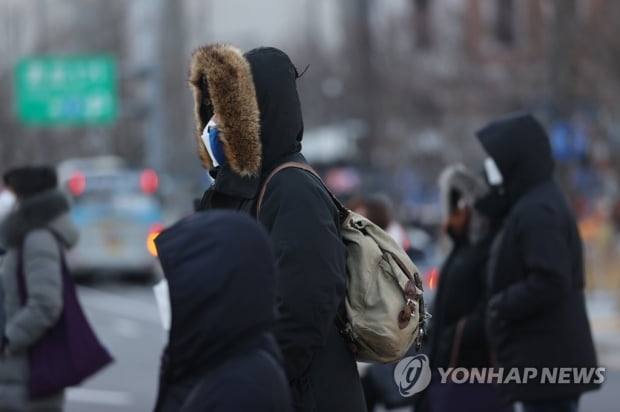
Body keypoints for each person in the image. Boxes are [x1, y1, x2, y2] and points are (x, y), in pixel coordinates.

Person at [189, 44, 365, 411]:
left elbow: (304, 307)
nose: (217, 122)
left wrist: (251, 384)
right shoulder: (245, 187)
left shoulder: (291, 188)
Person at [477, 112, 599, 411]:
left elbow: (550, 280)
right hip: (544, 360)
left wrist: (500, 305)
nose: (491, 167)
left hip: (548, 363)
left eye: (497, 158)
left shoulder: (538, 210)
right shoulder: (532, 201)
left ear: (516, 159)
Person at [153, 210, 292, 412]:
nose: (166, 290)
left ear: (208, 285)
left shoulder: (243, 387)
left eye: (176, 281)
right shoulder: (210, 357)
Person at [419, 164, 511, 412]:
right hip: (444, 364)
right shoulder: (461, 245)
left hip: (471, 369)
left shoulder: (489, 245)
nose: (454, 211)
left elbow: (491, 303)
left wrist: (456, 334)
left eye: (460, 202)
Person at [0, 166, 79, 411]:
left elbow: (45, 304)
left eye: (12, 193)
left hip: (26, 373)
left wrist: (7, 339)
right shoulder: (27, 236)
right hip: (20, 374)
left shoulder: (38, 239)